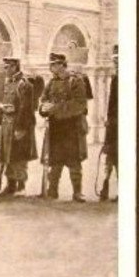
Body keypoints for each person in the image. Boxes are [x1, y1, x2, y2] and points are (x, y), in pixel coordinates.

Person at [38, 52, 89, 202]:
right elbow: (43, 101)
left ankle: (77, 192)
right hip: (55, 128)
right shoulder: (51, 83)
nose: (51, 67)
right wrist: (43, 109)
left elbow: (80, 105)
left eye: (53, 64)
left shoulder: (76, 81)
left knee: (74, 161)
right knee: (55, 160)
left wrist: (54, 108)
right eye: (50, 64)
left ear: (61, 65)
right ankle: (52, 190)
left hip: (72, 127)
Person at [0, 57, 37, 195]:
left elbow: (26, 109)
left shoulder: (24, 85)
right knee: (8, 155)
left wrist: (21, 128)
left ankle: (21, 186)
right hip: (7, 125)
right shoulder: (8, 83)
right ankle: (10, 185)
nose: (5, 70)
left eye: (7, 67)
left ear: (14, 67)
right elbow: (4, 103)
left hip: (19, 125)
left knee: (19, 156)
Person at [100, 45, 118, 201]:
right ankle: (105, 187)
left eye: (119, 60)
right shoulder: (115, 79)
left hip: (122, 126)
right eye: (115, 61)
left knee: (119, 157)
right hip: (113, 126)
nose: (116, 64)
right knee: (110, 156)